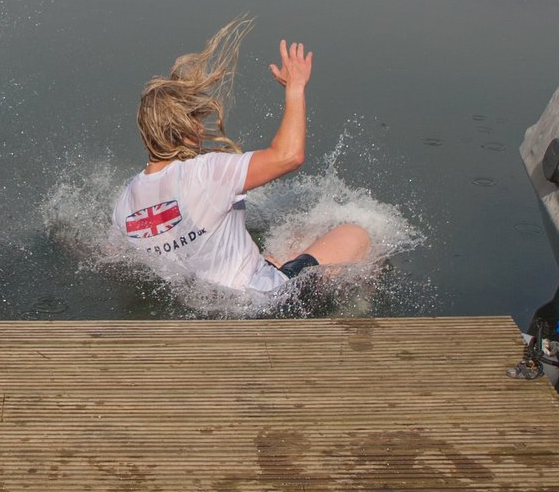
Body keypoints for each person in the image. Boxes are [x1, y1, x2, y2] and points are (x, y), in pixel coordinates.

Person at [111, 18, 369, 295]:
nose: (201, 127)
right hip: (273, 304)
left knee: (294, 237)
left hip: (210, 305)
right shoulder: (205, 172)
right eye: (197, 119)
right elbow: (288, 156)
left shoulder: (125, 203)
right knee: (356, 234)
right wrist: (296, 87)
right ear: (186, 128)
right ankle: (356, 308)